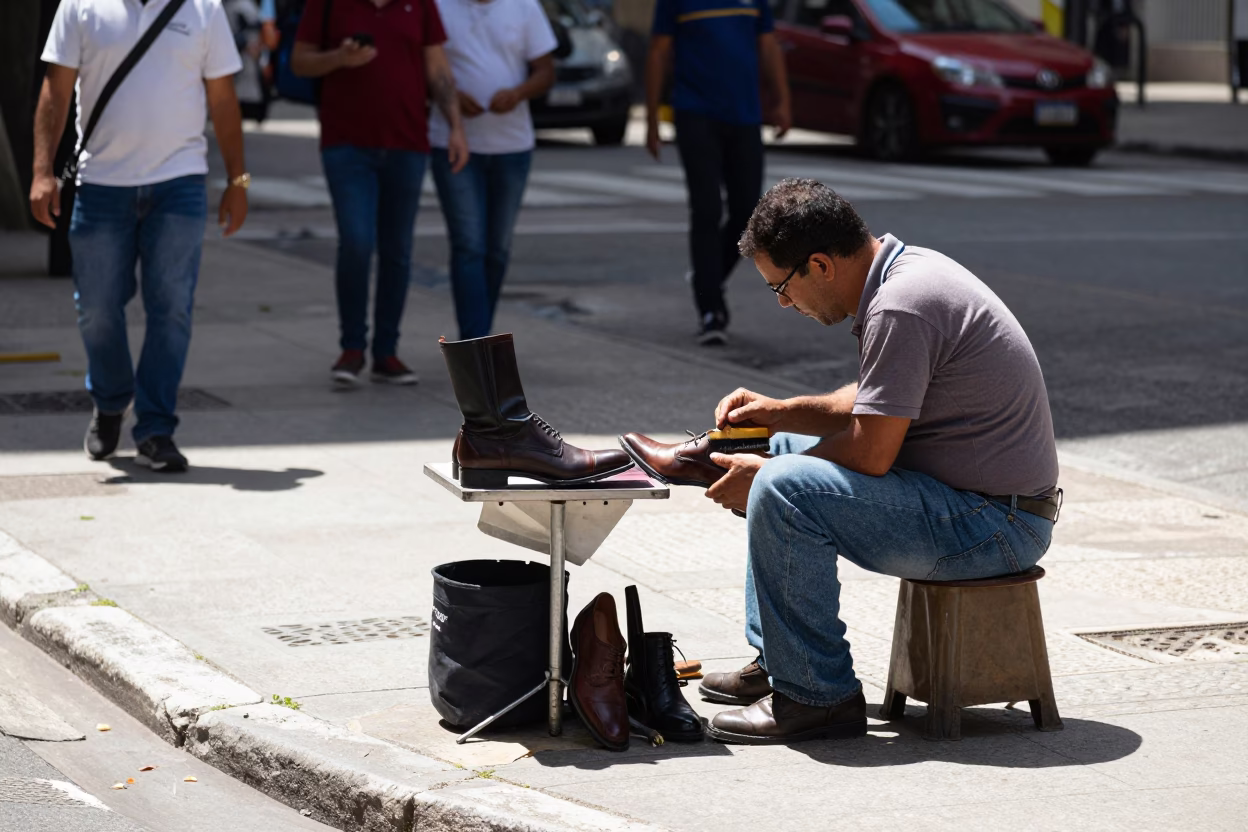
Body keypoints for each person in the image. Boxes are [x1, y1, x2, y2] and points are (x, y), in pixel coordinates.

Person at [632, 179, 1062, 744]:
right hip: (980, 504)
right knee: (779, 453)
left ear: (819, 264)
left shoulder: (902, 305)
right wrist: (782, 414)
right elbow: (873, 398)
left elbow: (870, 451)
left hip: (995, 524)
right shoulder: (906, 272)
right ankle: (780, 659)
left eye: (782, 288)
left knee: (783, 487)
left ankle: (818, 696)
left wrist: (766, 479)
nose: (785, 304)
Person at [30, 0, 250, 473]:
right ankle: (110, 400)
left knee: (171, 307)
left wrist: (238, 182)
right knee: (96, 308)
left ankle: (155, 429)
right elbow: (56, 90)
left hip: (180, 184)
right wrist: (41, 171)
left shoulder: (205, 9)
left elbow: (223, 98)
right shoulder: (81, 5)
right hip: (101, 186)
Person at [291, 0, 469, 386]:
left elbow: (437, 68)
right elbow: (299, 61)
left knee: (397, 251)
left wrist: (455, 126)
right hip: (346, 145)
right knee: (356, 242)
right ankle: (352, 347)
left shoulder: (420, 4)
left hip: (407, 144)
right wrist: (340, 57)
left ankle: (386, 352)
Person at [644, 0, 791, 346]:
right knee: (707, 209)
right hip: (695, 114)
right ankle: (710, 309)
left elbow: (767, 44)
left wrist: (782, 100)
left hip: (744, 115)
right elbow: (658, 51)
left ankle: (706, 277)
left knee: (749, 212)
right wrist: (652, 120)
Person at [429, 0, 557, 340]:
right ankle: (476, 340)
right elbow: (424, 66)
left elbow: (545, 70)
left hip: (512, 147)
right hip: (453, 144)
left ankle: (480, 331)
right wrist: (450, 97)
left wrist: (518, 93)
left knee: (496, 248)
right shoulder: (438, 7)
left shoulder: (523, 6)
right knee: (469, 245)